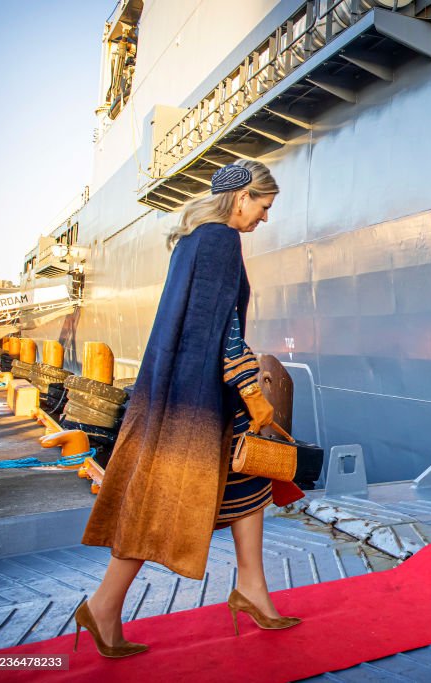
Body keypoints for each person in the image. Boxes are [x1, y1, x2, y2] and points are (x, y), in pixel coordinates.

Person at [78, 160, 304, 657]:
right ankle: (103, 605)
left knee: (250, 480)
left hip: (176, 389)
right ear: (241, 197)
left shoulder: (192, 240)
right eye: (264, 207)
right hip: (201, 397)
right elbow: (223, 331)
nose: (264, 218)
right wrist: (252, 389)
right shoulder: (221, 239)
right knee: (160, 498)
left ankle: (252, 589)